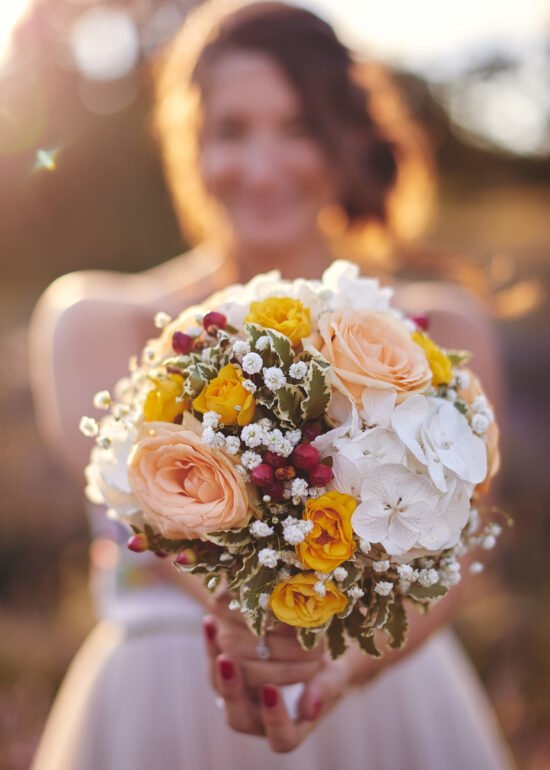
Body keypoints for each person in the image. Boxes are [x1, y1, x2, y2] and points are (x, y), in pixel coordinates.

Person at [29, 1, 514, 768]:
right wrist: (258, 640)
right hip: (159, 709)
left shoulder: (440, 333)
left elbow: (449, 575)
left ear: (349, 138)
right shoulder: (98, 320)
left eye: (299, 128)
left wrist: (340, 675)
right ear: (189, 142)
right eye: (232, 130)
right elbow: (152, 542)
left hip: (390, 697)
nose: (262, 167)